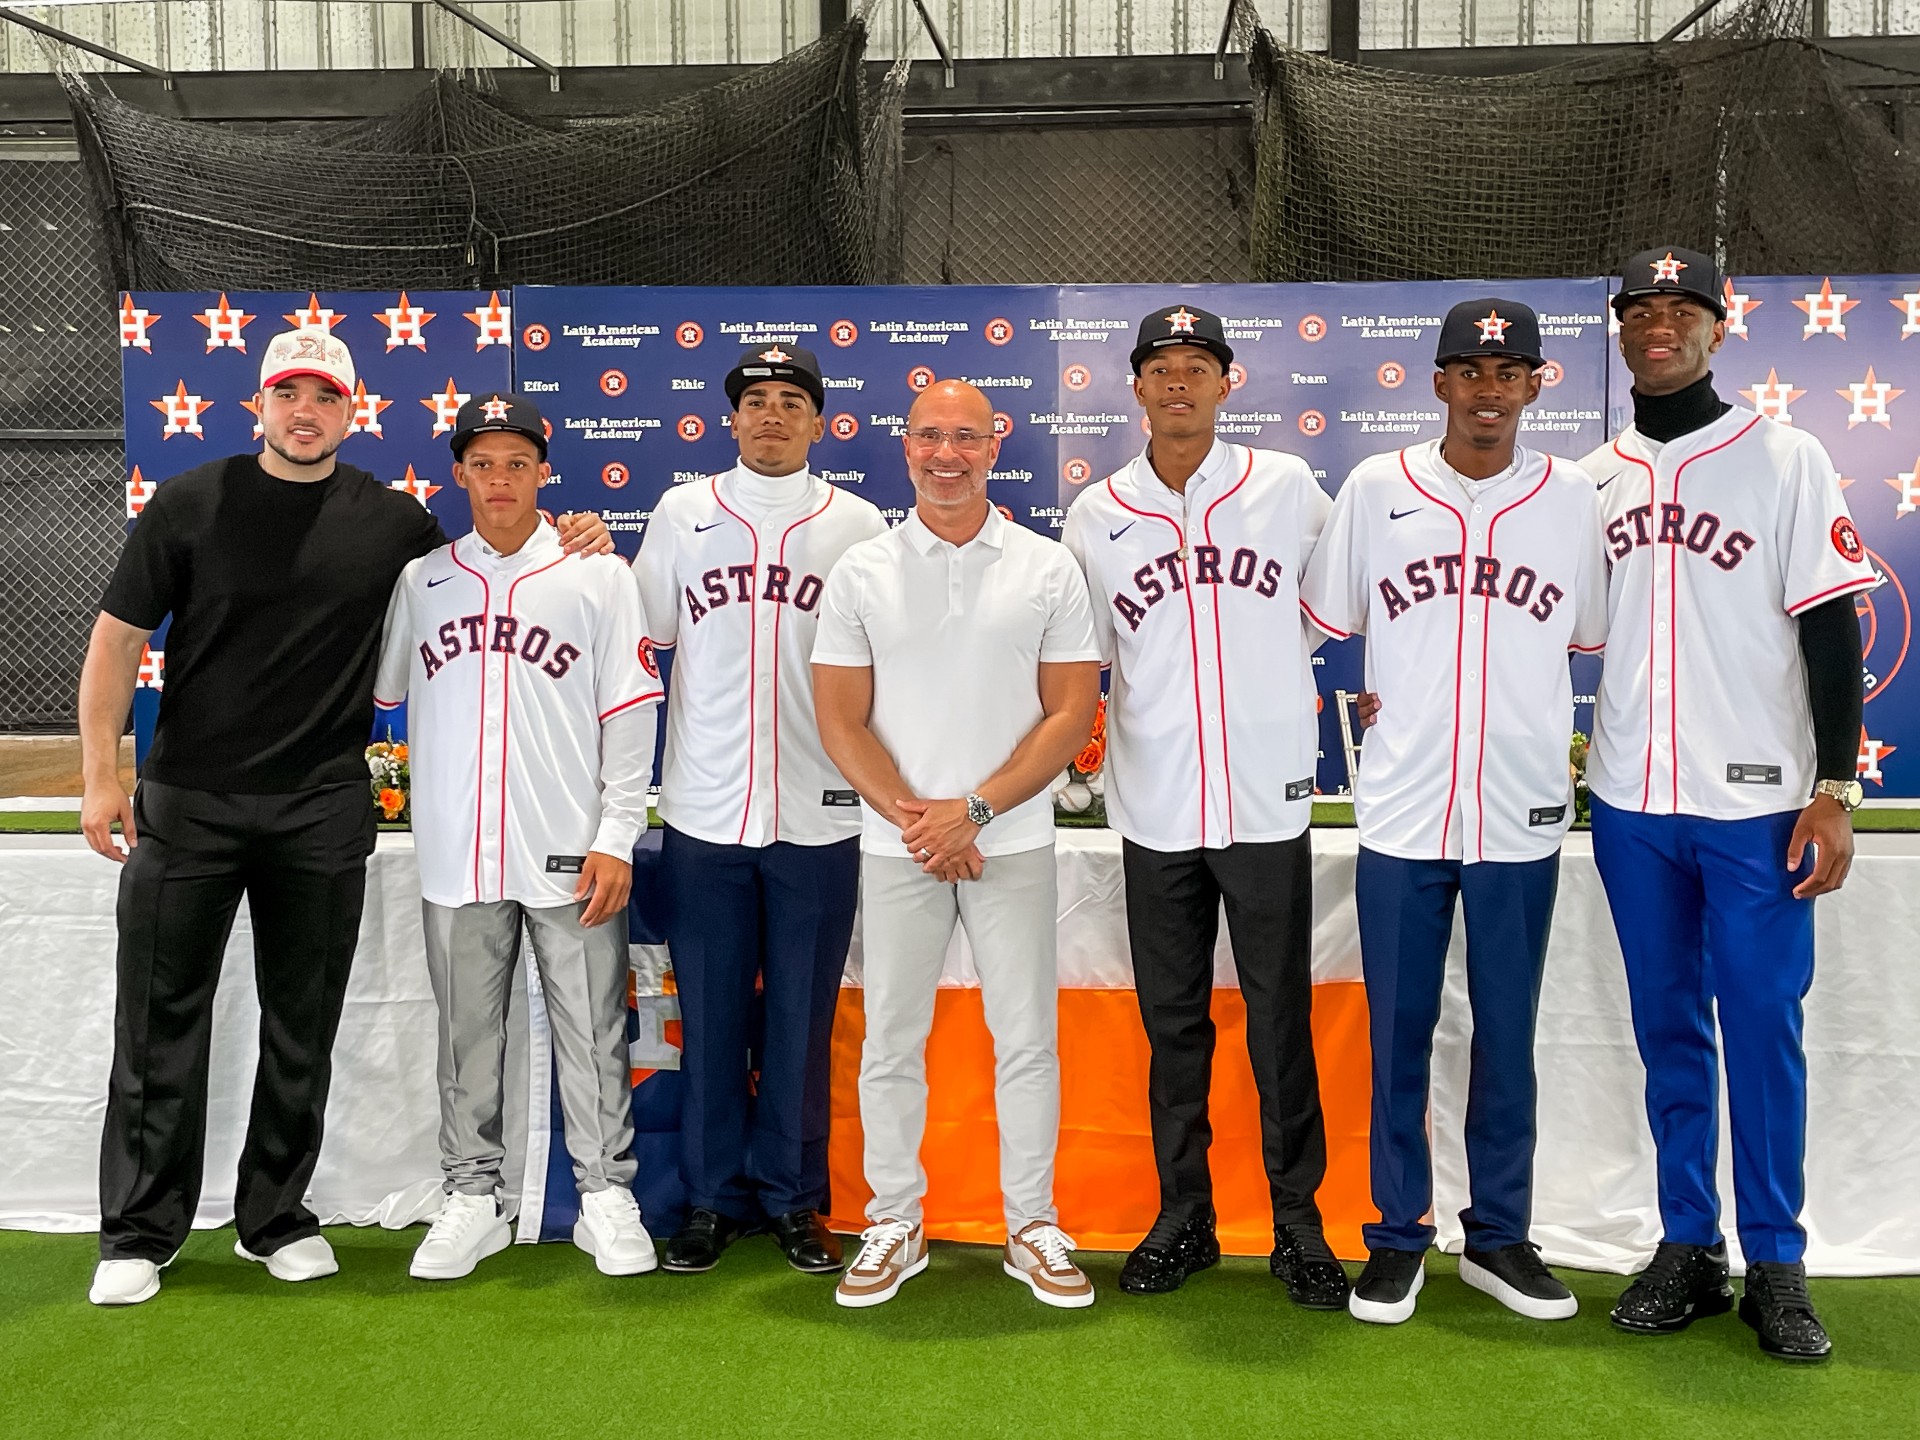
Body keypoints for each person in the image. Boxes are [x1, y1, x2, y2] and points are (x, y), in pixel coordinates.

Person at [79, 328, 610, 1307]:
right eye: (288, 394)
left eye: (325, 397)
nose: (305, 412)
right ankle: (139, 1233)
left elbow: (492, 566)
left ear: (352, 412)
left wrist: (578, 535)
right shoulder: (191, 501)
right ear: (261, 405)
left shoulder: (396, 525)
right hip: (189, 803)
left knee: (301, 1025)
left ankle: (272, 1218)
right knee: (159, 1020)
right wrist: (99, 774)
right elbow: (115, 641)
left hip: (321, 811)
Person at [1583, 247, 1874, 1362]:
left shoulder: (1784, 456)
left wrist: (1835, 788)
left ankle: (1779, 1261)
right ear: (1620, 329)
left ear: (1719, 326)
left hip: (1757, 804)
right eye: (1640, 310)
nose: (1659, 325)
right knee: (1666, 1031)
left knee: (1761, 1027)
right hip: (1630, 803)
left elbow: (1831, 628)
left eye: (1682, 308)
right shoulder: (1595, 476)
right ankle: (1688, 1246)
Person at [1300, 299, 1607, 1326]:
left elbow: (1598, 628)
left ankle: (1501, 1238)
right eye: (1470, 371)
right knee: (1400, 1031)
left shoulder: (1575, 499)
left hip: (1519, 804)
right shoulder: (1379, 487)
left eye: (1509, 369)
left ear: (1535, 385)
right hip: (1400, 807)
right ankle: (1396, 1238)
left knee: (1508, 1034)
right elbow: (1326, 621)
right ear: (1437, 383)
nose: (1489, 387)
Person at [1059, 304, 1347, 1308]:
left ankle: (1298, 1224)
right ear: (1134, 388)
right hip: (1155, 805)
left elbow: (1323, 615)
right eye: (1160, 368)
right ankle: (1185, 1216)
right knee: (1174, 1024)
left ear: (1229, 382)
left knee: (1279, 1021)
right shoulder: (1098, 513)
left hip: (1266, 800)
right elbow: (1091, 654)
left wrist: (1260, 697)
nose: (1178, 383)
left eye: (1198, 366)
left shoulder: (1285, 488)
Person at [811, 379, 1103, 1309]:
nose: (947, 454)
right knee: (892, 1038)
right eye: (930, 437)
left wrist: (971, 813)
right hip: (901, 847)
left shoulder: (1048, 567)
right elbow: (840, 721)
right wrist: (923, 821)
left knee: (1025, 1038)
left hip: (1008, 842)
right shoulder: (862, 570)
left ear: (995, 443)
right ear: (906, 447)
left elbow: (1071, 713)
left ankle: (1031, 1223)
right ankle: (895, 1218)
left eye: (965, 438)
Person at [373, 392, 660, 1281]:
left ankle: (607, 1194)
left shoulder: (599, 574)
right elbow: (387, 698)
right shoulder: (423, 581)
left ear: (545, 470)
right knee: (466, 1035)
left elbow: (630, 714)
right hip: (458, 852)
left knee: (594, 1028)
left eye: (518, 463)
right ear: (459, 474)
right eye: (483, 463)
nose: (500, 480)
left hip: (570, 847)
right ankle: (470, 1196)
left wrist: (617, 833)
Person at [631, 345, 885, 1276]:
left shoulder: (857, 523)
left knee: (800, 1024)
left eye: (791, 402)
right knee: (710, 1012)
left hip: (821, 815)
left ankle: (793, 1200)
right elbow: (643, 641)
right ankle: (707, 1200)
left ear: (820, 423)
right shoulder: (684, 512)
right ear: (729, 421)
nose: (771, 416)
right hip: (704, 811)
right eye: (755, 403)